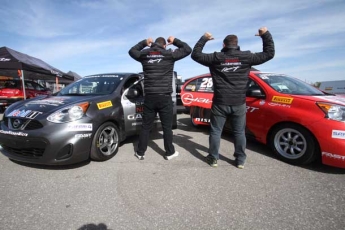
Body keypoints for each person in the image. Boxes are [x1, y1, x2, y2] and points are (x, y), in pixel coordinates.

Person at [191, 27, 275, 168]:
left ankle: (213, 158)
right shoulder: (246, 57)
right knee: (239, 132)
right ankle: (240, 160)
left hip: (220, 102)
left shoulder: (216, 57)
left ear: (224, 45)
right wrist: (265, 35)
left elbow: (196, 54)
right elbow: (269, 53)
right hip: (238, 103)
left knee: (216, 131)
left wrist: (204, 38)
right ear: (236, 45)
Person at [129, 36, 192, 160]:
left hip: (150, 97)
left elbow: (132, 51)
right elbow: (187, 49)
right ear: (165, 45)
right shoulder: (169, 54)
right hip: (165, 97)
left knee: (146, 126)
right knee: (167, 127)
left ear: (153, 45)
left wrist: (144, 43)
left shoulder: (145, 54)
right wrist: (175, 41)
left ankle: (141, 152)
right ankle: (169, 153)